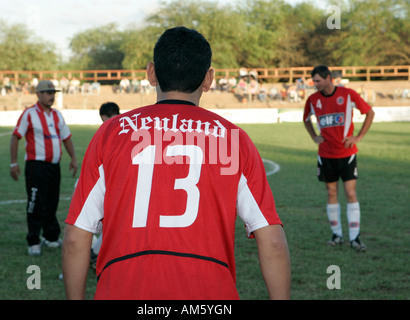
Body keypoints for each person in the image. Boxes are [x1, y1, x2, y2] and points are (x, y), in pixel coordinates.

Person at [62, 26, 290, 300]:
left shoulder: (112, 133)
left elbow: (76, 237)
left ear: (151, 73)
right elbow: (272, 241)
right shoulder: (233, 140)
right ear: (208, 79)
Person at [303, 65, 375, 252]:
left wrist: (358, 137)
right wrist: (313, 136)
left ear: (328, 78)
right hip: (325, 155)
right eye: (314, 81)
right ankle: (336, 235)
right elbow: (305, 119)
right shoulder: (312, 100)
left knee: (350, 193)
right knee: (331, 192)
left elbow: (369, 112)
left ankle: (355, 237)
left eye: (318, 80)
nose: (315, 84)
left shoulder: (348, 94)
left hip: (347, 154)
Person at [10, 80, 78, 256]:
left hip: (53, 166)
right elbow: (16, 136)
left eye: (53, 92)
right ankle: (33, 240)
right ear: (38, 94)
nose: (51, 96)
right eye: (48, 92)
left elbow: (66, 137)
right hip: (36, 166)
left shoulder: (57, 115)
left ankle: (51, 236)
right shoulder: (29, 114)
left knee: (52, 201)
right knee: (35, 202)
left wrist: (73, 158)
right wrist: (13, 163)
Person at [89, 102, 120, 268]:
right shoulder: (130, 128)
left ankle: (95, 253)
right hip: (126, 184)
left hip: (107, 182)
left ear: (103, 117)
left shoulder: (106, 131)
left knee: (99, 223)